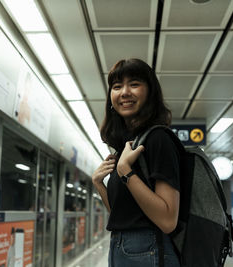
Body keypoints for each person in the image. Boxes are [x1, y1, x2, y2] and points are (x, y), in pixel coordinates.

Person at [92, 58, 181, 266]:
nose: (124, 92)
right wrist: (99, 184)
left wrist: (125, 172)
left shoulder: (159, 139)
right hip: (123, 247)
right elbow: (122, 216)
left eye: (134, 84)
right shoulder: (127, 145)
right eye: (116, 86)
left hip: (150, 250)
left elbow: (168, 220)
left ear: (150, 92)